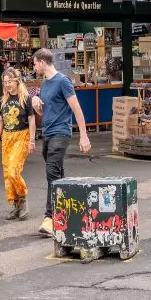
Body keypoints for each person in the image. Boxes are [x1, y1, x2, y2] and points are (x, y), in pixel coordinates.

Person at [30, 48, 91, 237]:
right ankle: (68, 214)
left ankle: (51, 218)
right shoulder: (44, 83)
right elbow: (44, 113)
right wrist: (36, 106)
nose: (34, 67)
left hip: (61, 133)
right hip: (47, 134)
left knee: (52, 174)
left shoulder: (63, 81)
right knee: (58, 175)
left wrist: (83, 135)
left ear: (42, 62)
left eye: (34, 63)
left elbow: (76, 109)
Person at [0, 68, 36, 220]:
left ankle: (23, 199)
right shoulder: (2, 100)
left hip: (21, 136)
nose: (7, 85)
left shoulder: (25, 98)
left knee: (13, 171)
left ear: (17, 81)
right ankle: (15, 204)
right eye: (5, 82)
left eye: (10, 81)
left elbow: (31, 119)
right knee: (7, 175)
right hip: (7, 138)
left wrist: (32, 140)